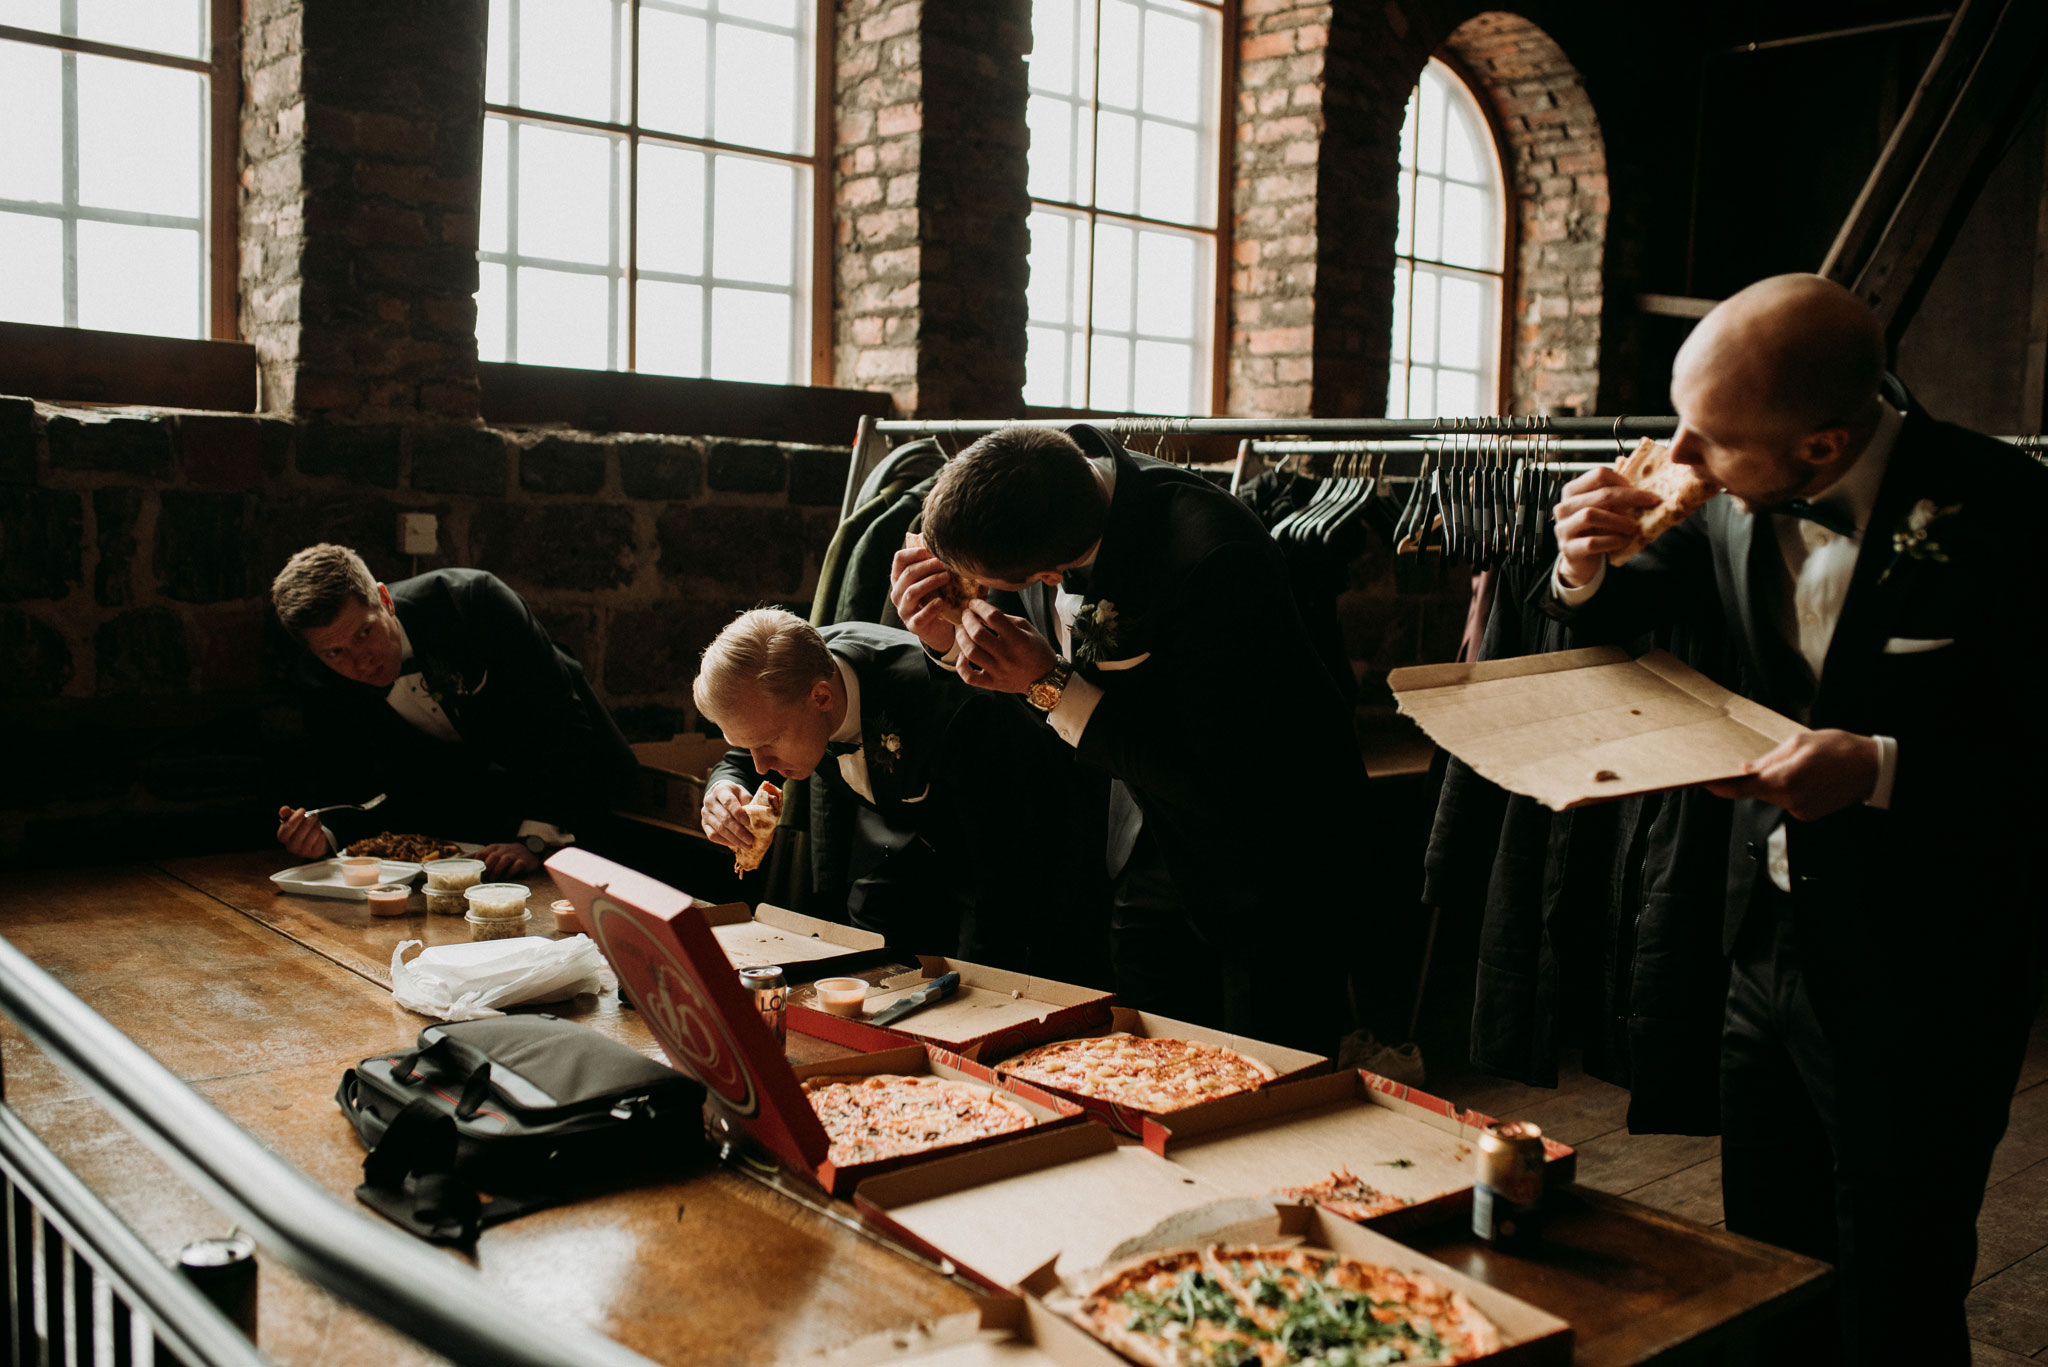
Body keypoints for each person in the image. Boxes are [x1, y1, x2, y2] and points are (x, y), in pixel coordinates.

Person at [1544, 273, 2046, 1365]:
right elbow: (1633, 594)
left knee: (1898, 1278)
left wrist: (1879, 767)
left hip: (1928, 965)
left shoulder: (2010, 510)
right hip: (1758, 945)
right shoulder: (1727, 486)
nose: (1676, 458)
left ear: (1819, 448)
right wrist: (1580, 561)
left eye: (1707, 440)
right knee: (1766, 1261)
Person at [887, 424, 1369, 1054]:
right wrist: (950, 642)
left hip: (1273, 859)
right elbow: (1035, 691)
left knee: (1274, 1077)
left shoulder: (1213, 556)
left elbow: (1212, 767)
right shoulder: (1041, 498)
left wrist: (1048, 682)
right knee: (1155, 1064)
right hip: (1143, 844)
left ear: (1053, 573)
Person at [696, 609, 1072, 966]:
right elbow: (740, 761)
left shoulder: (951, 712)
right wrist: (723, 788)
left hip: (1002, 854)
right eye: (749, 745)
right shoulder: (777, 684)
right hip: (889, 852)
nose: (760, 765)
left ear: (822, 698)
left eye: (768, 744)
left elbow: (1001, 875)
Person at [270, 544, 638, 879]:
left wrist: (536, 841)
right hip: (483, 830)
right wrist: (324, 833)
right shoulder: (318, 678)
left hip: (585, 796)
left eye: (364, 633)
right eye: (334, 653)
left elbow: (563, 722)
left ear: (384, 600)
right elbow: (361, 781)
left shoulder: (474, 601)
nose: (359, 661)